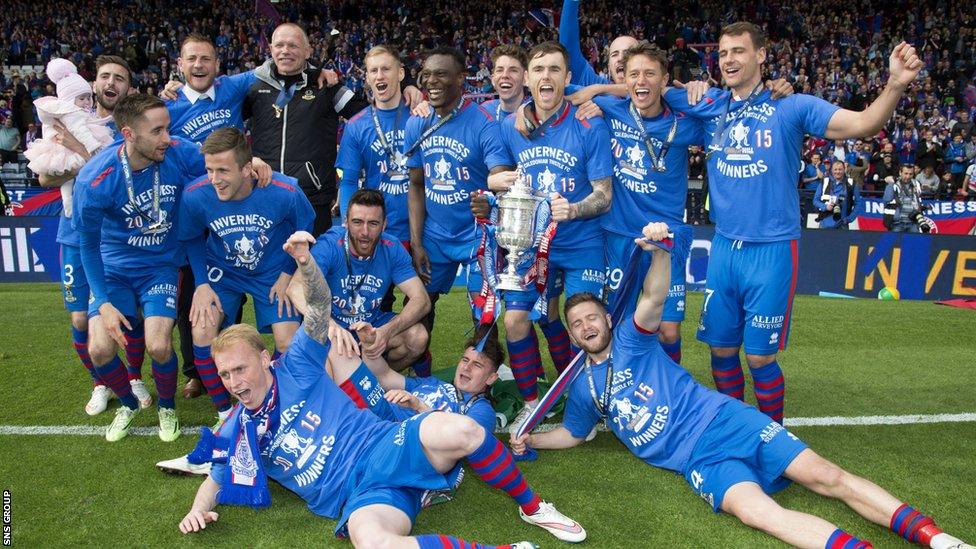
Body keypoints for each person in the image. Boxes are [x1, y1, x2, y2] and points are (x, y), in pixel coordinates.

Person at [512, 221, 972, 549]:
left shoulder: (633, 336)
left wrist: (660, 252)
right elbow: (572, 434)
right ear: (571, 335)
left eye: (593, 317)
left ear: (606, 319)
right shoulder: (582, 386)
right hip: (695, 460)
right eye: (577, 324)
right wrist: (530, 438)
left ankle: (935, 538)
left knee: (825, 477)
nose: (587, 326)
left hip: (724, 420)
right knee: (758, 515)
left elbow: (654, 295)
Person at [177, 230, 586, 546]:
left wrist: (305, 263)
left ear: (265, 358)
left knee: (461, 429)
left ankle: (534, 508)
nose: (234, 383)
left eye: (239, 370)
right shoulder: (236, 426)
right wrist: (198, 510)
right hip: (357, 495)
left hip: (383, 445)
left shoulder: (296, 365)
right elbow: (215, 477)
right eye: (225, 375)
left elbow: (319, 309)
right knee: (371, 542)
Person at [663, 22, 922, 424]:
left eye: (739, 51)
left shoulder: (793, 106)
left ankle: (773, 437)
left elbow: (864, 124)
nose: (729, 59)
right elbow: (643, 89)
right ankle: (737, 429)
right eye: (724, 52)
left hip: (772, 249)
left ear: (761, 55)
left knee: (760, 356)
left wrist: (895, 84)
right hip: (724, 248)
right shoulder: (711, 102)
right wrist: (594, 94)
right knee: (721, 350)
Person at [472, 41, 613, 427]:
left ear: (567, 79)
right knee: (518, 320)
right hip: (531, 248)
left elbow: (604, 195)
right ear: (528, 79)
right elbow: (497, 174)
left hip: (583, 242)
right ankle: (535, 401)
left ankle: (592, 394)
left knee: (587, 325)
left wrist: (574, 208)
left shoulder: (589, 123)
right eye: (538, 70)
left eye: (554, 70)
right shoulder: (509, 126)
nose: (545, 77)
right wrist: (495, 178)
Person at [72, 93, 207, 442]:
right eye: (158, 131)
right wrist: (102, 301)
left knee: (159, 346)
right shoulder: (94, 179)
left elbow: (220, 160)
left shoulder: (179, 152)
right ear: (129, 134)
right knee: (99, 349)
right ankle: (129, 403)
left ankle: (166, 407)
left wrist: (252, 161)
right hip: (114, 268)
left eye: (168, 128)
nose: (168, 138)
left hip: (160, 266)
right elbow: (87, 245)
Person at [37, 55, 152, 416]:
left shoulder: (130, 130)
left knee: (128, 312)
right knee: (80, 319)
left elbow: (120, 173)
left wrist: (81, 152)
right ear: (93, 83)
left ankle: (133, 377)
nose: (111, 83)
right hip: (75, 234)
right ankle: (100, 383)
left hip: (118, 238)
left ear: (128, 88)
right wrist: (80, 152)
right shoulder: (66, 120)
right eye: (105, 76)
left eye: (120, 78)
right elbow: (45, 178)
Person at [178, 127, 314, 422]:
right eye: (210, 170)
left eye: (223, 170)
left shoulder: (285, 191)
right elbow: (190, 237)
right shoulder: (196, 194)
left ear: (247, 168)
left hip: (270, 272)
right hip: (222, 271)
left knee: (287, 342)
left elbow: (305, 227)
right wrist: (201, 284)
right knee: (202, 328)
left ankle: (272, 402)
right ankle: (225, 413)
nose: (215, 179)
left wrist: (287, 272)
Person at [587, 42, 704, 365]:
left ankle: (669, 392)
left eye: (650, 74)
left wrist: (696, 88)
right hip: (619, 233)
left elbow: (721, 113)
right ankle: (618, 386)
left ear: (664, 79)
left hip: (667, 237)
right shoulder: (608, 109)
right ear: (624, 80)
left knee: (667, 330)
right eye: (634, 74)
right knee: (617, 322)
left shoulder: (685, 123)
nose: (641, 81)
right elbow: (562, 95)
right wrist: (596, 91)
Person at [405, 46, 510, 367]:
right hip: (435, 236)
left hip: (477, 236)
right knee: (421, 307)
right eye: (427, 74)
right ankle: (422, 380)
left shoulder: (483, 123)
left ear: (461, 78)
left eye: (441, 74)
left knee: (484, 315)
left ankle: (483, 387)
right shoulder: (417, 123)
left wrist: (489, 197)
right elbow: (416, 184)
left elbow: (498, 175)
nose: (431, 81)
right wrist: (418, 241)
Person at [244, 23, 369, 236]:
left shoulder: (327, 87)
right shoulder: (253, 87)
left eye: (293, 45)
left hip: (313, 199)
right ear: (271, 49)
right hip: (264, 195)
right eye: (279, 45)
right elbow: (222, 120)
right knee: (269, 269)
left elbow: (368, 114)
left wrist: (407, 86)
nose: (285, 51)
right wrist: (178, 89)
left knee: (315, 267)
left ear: (307, 51)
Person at [307, 189, 430, 372]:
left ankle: (377, 381)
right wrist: (329, 325)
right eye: (357, 222)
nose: (365, 232)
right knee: (325, 370)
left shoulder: (391, 247)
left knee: (418, 337)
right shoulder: (329, 246)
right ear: (346, 222)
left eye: (373, 223)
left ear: (384, 224)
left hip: (370, 326)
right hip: (332, 329)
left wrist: (385, 332)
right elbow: (295, 288)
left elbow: (422, 300)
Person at [336, 45, 412, 246]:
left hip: (422, 231)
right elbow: (348, 182)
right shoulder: (355, 126)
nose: (379, 76)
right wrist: (348, 224)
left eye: (386, 69)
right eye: (373, 71)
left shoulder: (420, 115)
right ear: (367, 78)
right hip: (379, 233)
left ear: (400, 73)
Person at [24, 58, 113, 176]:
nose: (86, 101)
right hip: (65, 155)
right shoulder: (72, 113)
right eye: (82, 98)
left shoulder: (78, 114)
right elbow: (80, 130)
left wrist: (78, 147)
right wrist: (92, 146)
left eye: (88, 97)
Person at [480, 45, 528, 121]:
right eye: (500, 70)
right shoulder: (484, 111)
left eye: (513, 70)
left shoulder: (536, 114)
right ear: (493, 79)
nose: (505, 75)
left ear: (525, 78)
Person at [883, 165, 933, 233]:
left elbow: (918, 201)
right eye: (906, 173)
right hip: (897, 223)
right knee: (894, 243)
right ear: (900, 173)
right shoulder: (893, 183)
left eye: (910, 174)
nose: (908, 176)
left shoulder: (916, 184)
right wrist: (890, 184)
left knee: (914, 242)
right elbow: (887, 199)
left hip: (912, 223)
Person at [813, 161, 858, 229]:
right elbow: (815, 201)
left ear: (844, 169)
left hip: (842, 225)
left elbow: (858, 203)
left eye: (840, 169)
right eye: (835, 169)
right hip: (824, 223)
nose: (837, 172)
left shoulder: (851, 183)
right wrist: (825, 207)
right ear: (832, 170)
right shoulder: (824, 181)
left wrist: (849, 219)